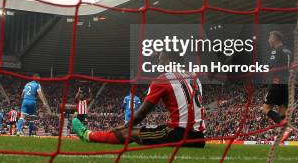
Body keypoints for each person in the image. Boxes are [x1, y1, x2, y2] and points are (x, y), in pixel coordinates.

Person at [72, 50, 205, 147]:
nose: (159, 64)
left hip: (178, 135)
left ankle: (87, 135)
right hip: (199, 138)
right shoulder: (195, 77)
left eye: (160, 60)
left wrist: (121, 127)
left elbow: (141, 114)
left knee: (127, 133)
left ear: (169, 61)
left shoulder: (164, 79)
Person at [261, 31, 292, 124]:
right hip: (287, 83)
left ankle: (282, 125)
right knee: (282, 108)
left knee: (265, 108)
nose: (268, 40)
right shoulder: (288, 50)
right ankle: (284, 129)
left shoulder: (276, 51)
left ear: (274, 38)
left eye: (269, 38)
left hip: (277, 82)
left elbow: (271, 65)